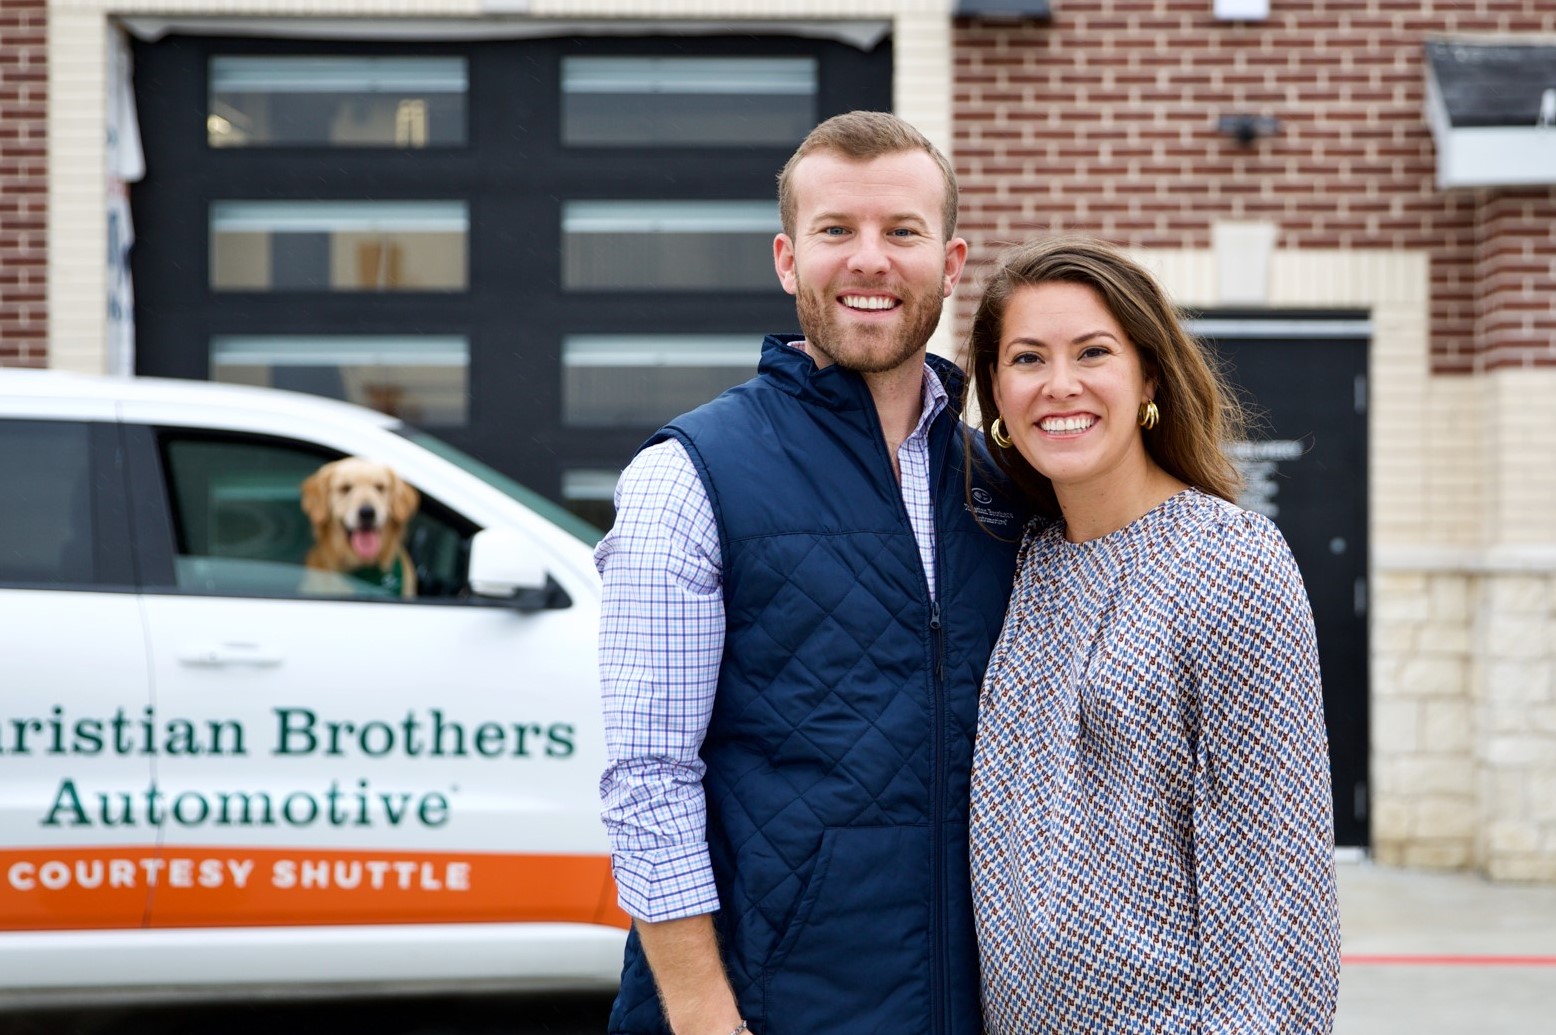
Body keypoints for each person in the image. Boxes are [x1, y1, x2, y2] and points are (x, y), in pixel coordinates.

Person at [595, 111, 1025, 1035]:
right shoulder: (689, 476)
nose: (870, 259)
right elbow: (646, 780)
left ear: (950, 265)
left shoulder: (1002, 483)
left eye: (902, 232)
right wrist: (708, 1021)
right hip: (767, 1010)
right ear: (788, 259)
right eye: (838, 231)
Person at [964, 236, 1341, 1034]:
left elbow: (1280, 888)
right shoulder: (1021, 562)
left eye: (1092, 352)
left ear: (1149, 377)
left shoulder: (1229, 561)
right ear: (996, 393)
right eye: (1027, 359)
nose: (1059, 384)